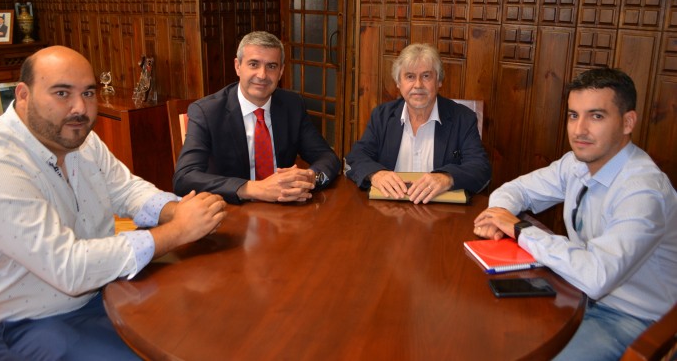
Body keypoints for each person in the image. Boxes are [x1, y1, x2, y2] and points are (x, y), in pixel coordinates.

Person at [0, 46, 227, 360]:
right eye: (62, 93)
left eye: (89, 93)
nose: (79, 108)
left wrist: (178, 211)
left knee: (197, 326)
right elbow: (69, 267)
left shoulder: (79, 138)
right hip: (23, 323)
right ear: (24, 95)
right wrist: (177, 231)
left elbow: (126, 190)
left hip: (101, 290)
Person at [473, 68, 677, 360]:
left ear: (627, 122)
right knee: (488, 330)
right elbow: (516, 190)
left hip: (630, 317)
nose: (579, 130)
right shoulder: (577, 163)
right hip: (574, 293)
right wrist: (500, 214)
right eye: (573, 115)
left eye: (596, 116)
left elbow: (597, 275)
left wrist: (519, 229)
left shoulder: (644, 191)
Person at [173, 31, 341, 204]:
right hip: (230, 211)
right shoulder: (207, 112)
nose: (262, 75)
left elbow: (327, 158)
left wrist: (311, 178)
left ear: (281, 71)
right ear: (237, 66)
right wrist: (252, 188)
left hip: (284, 209)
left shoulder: (292, 105)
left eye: (271, 66)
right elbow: (184, 178)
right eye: (254, 64)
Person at [344, 43, 491, 204]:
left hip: (443, 215)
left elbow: (480, 168)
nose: (418, 85)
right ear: (398, 83)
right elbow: (357, 156)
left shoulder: (463, 118)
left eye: (426, 76)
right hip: (389, 209)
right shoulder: (382, 116)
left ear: (439, 81)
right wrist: (376, 174)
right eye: (410, 76)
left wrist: (447, 178)